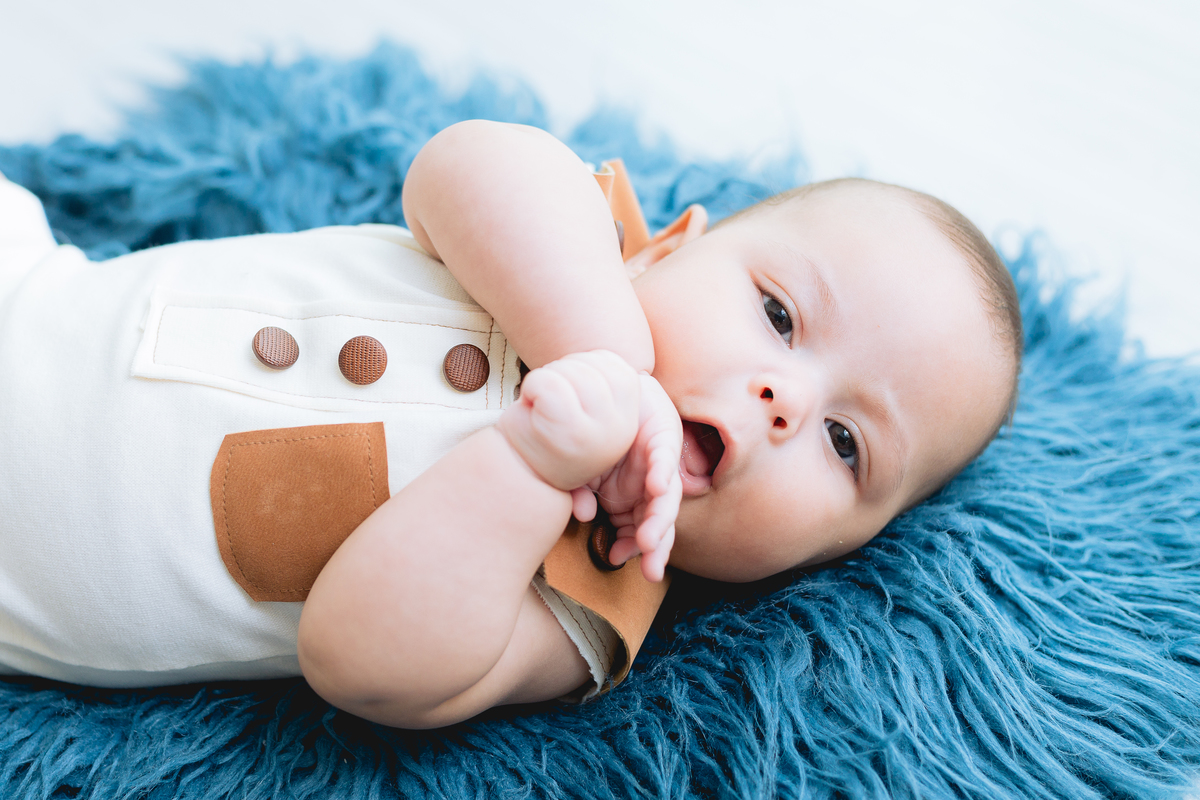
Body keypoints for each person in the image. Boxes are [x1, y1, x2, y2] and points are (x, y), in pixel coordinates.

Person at [0, 120, 1021, 730]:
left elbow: (363, 662)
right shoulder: (580, 235)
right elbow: (457, 165)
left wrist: (536, 468)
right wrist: (604, 353)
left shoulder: (596, 598)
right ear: (670, 247)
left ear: (839, 549)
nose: (787, 400)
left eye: (847, 446)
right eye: (780, 316)